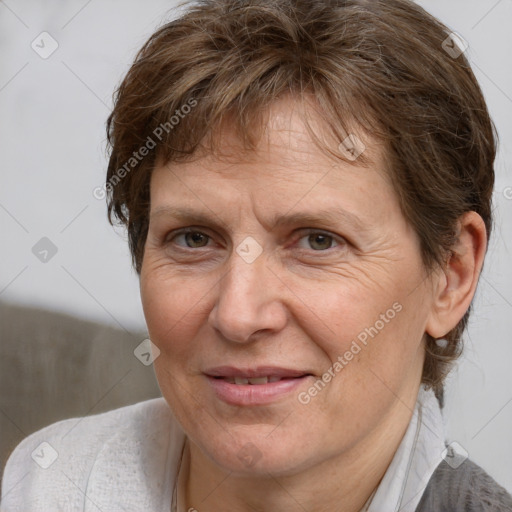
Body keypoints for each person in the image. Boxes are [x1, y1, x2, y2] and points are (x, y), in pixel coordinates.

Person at [2, 0, 511, 510]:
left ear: (451, 274)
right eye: (194, 239)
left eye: (318, 241)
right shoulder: (45, 485)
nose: (238, 315)